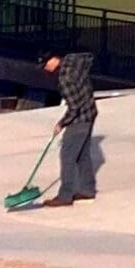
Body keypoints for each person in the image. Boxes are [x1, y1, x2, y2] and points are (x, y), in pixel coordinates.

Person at [40, 51, 99, 206]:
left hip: (79, 120)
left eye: (45, 65)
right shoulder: (73, 60)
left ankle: (65, 196)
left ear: (53, 60)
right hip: (91, 112)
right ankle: (88, 190)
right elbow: (89, 56)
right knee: (82, 155)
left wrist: (61, 123)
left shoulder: (64, 80)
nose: (45, 69)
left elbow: (74, 108)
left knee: (67, 157)